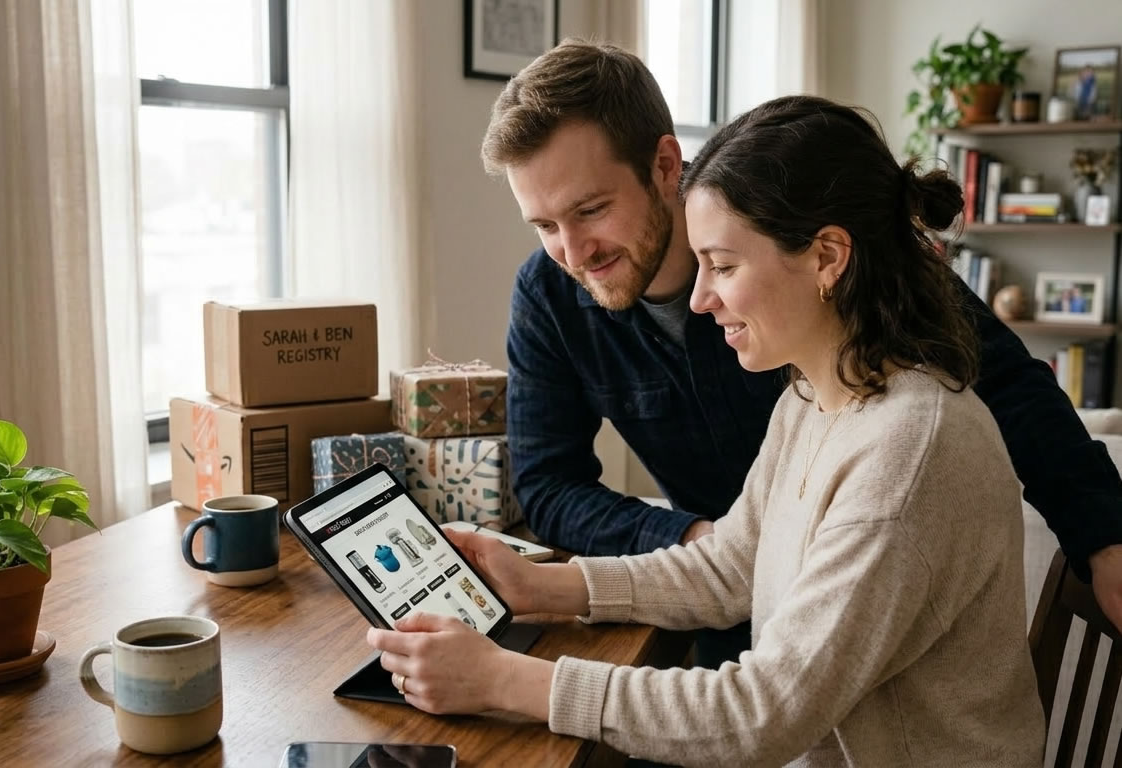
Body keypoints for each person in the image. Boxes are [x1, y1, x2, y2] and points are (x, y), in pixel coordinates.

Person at [367, 94, 1044, 766]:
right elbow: (735, 562)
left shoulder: (907, 454)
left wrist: (503, 680)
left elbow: (760, 715)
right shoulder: (814, 395)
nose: (699, 297)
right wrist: (545, 588)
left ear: (828, 257)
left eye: (723, 266)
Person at [481, 39, 1122, 669]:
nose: (572, 251)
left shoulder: (790, 224)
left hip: (856, 592)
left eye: (591, 209)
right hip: (715, 595)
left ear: (665, 164)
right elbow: (548, 483)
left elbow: (1003, 379)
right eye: (543, 225)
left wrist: (1103, 537)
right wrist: (698, 542)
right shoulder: (548, 297)